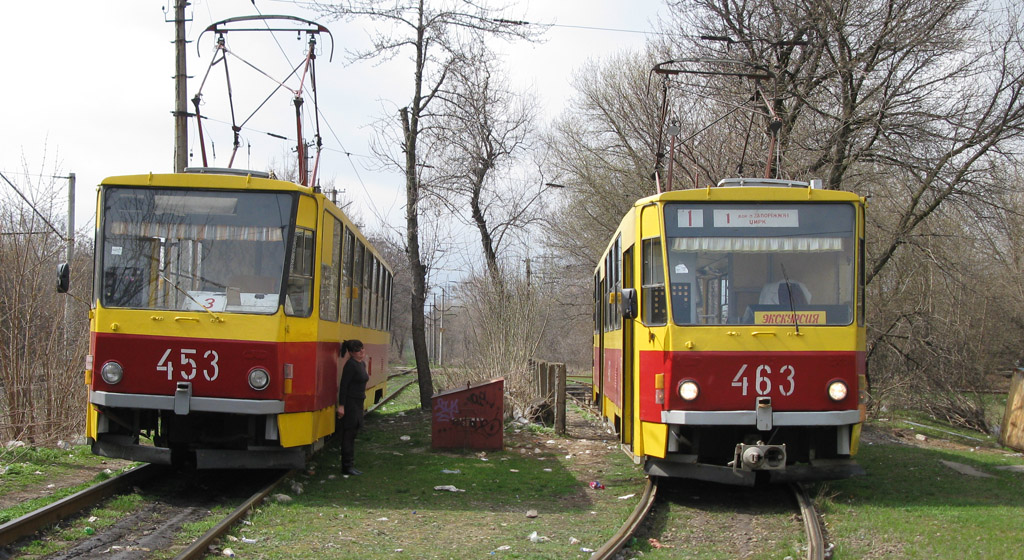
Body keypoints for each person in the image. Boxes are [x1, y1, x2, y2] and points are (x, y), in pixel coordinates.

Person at [336, 339, 369, 476]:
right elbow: (344, 385)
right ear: (351, 352)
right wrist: (342, 406)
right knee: (349, 433)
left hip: (358, 402)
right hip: (350, 403)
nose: (362, 352)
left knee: (354, 432)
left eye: (362, 349)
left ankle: (350, 464)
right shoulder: (350, 365)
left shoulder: (361, 364)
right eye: (357, 350)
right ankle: (347, 466)